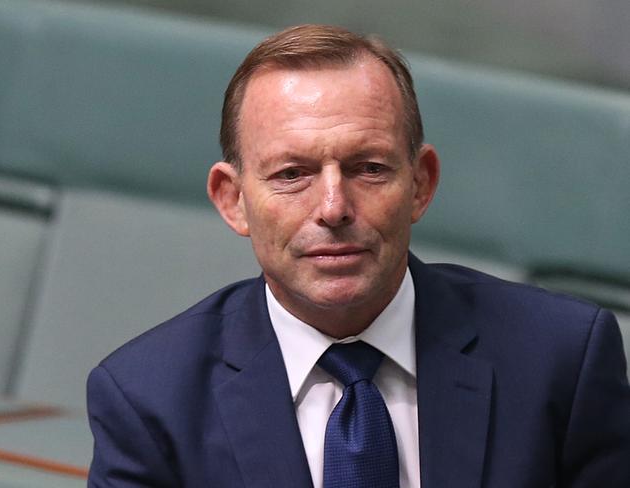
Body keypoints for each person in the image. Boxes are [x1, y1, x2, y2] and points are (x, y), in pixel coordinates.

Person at [86, 24, 630, 487]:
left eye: (369, 168)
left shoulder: (562, 360)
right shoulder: (147, 399)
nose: (333, 207)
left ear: (420, 183)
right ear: (234, 201)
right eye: (291, 174)